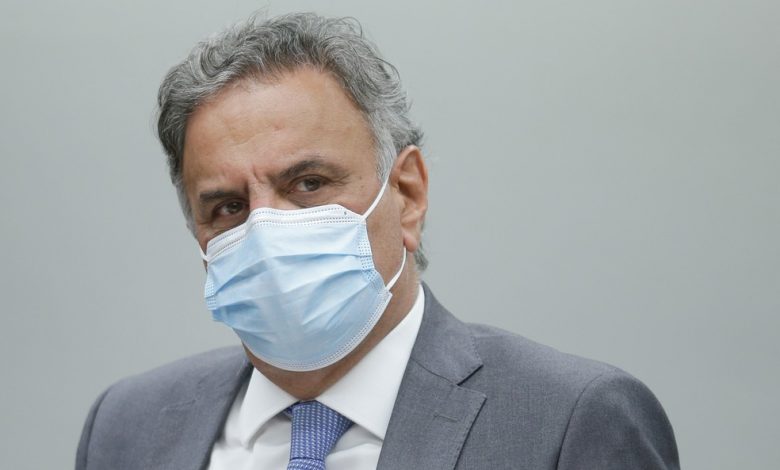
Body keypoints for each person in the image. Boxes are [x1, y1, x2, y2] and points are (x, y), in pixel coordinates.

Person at [76, 12, 679, 470]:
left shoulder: (568, 422)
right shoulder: (126, 430)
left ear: (407, 194)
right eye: (228, 207)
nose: (266, 230)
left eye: (308, 184)